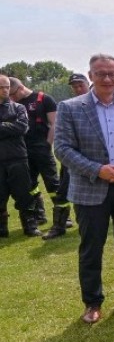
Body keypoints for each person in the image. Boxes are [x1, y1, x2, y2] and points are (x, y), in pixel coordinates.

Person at [54, 53, 114, 324]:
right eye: (101, 74)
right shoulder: (70, 107)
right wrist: (99, 170)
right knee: (91, 248)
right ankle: (92, 302)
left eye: (113, 74)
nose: (108, 79)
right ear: (90, 76)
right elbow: (62, 148)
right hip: (90, 189)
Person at [8, 76, 58, 228]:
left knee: (53, 183)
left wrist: (47, 145)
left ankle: (62, 217)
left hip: (42, 148)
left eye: (13, 94)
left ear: (21, 87)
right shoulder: (13, 105)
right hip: (23, 151)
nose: (11, 98)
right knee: (29, 184)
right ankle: (39, 214)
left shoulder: (44, 99)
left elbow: (54, 124)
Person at [44, 73, 90, 240]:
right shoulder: (68, 106)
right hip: (72, 158)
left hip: (95, 158)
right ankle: (59, 225)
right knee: (63, 191)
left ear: (88, 83)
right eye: (74, 86)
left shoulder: (99, 102)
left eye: (80, 85)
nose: (78, 89)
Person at [0, 75, 40, 238]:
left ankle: (30, 225)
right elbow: (15, 128)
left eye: (7, 87)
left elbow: (22, 128)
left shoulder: (18, 108)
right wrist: (10, 127)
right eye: (2, 87)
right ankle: (2, 229)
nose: (5, 90)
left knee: (24, 194)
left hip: (18, 157)